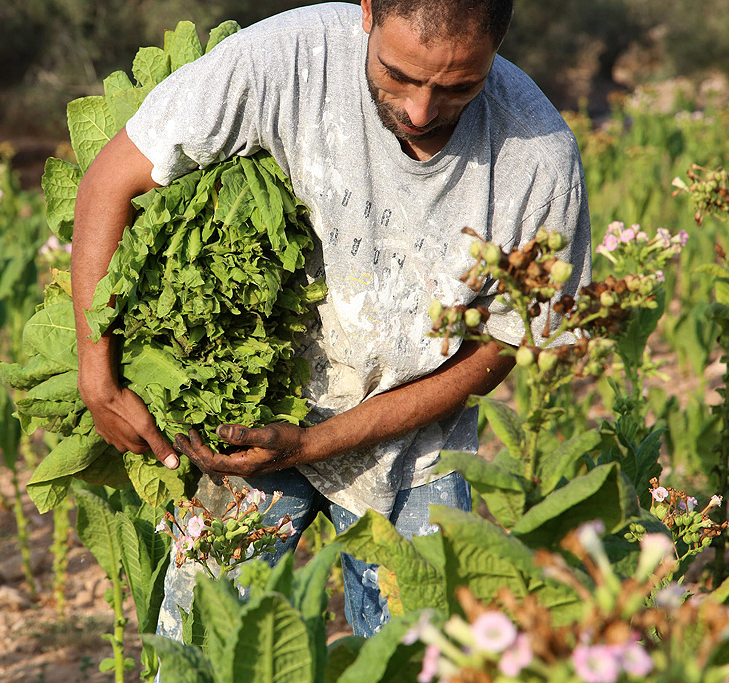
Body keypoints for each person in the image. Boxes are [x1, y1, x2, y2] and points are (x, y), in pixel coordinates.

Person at [70, 0, 591, 638]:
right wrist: (98, 375)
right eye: (398, 75)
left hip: (413, 436)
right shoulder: (283, 60)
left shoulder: (538, 154)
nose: (422, 111)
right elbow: (110, 181)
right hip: (253, 411)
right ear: (367, 11)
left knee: (415, 656)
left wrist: (321, 442)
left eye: (459, 86)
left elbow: (499, 348)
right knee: (205, 647)